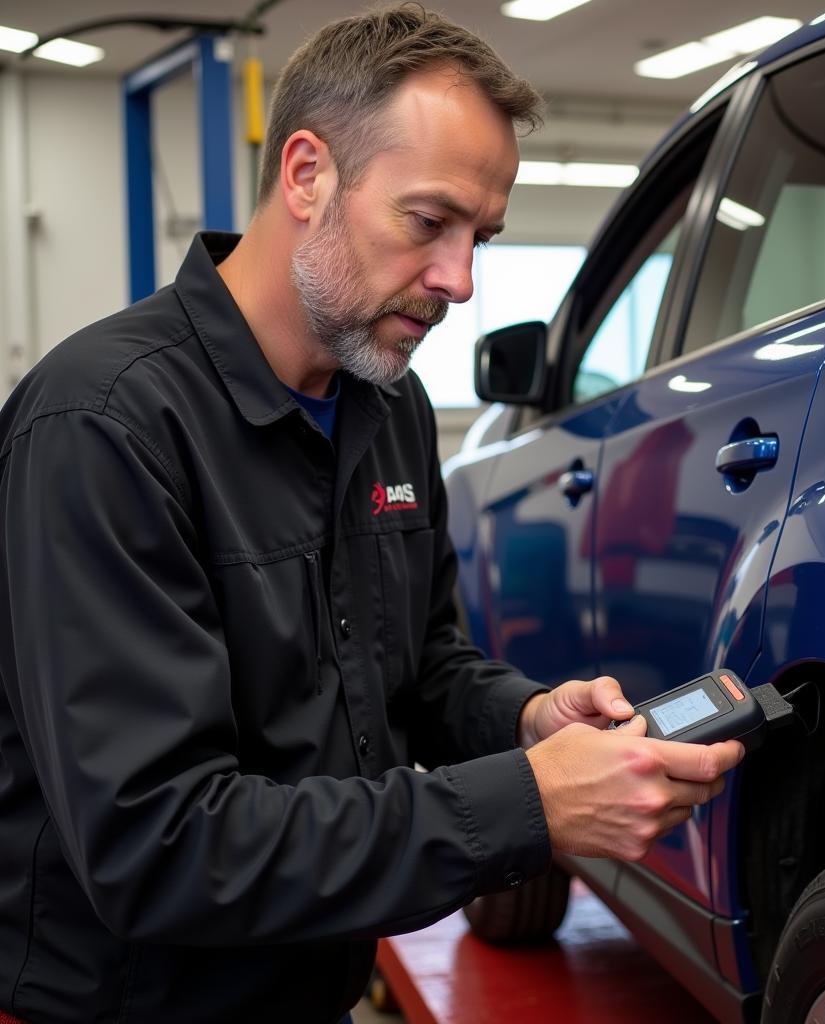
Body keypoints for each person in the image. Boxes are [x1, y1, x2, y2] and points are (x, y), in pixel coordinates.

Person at [0, 6, 744, 1022]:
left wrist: (526, 716)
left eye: (480, 237)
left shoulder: (386, 406)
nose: (459, 280)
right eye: (427, 222)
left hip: (313, 984)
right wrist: (529, 804)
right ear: (306, 175)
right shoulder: (104, 425)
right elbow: (154, 845)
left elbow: (420, 666)